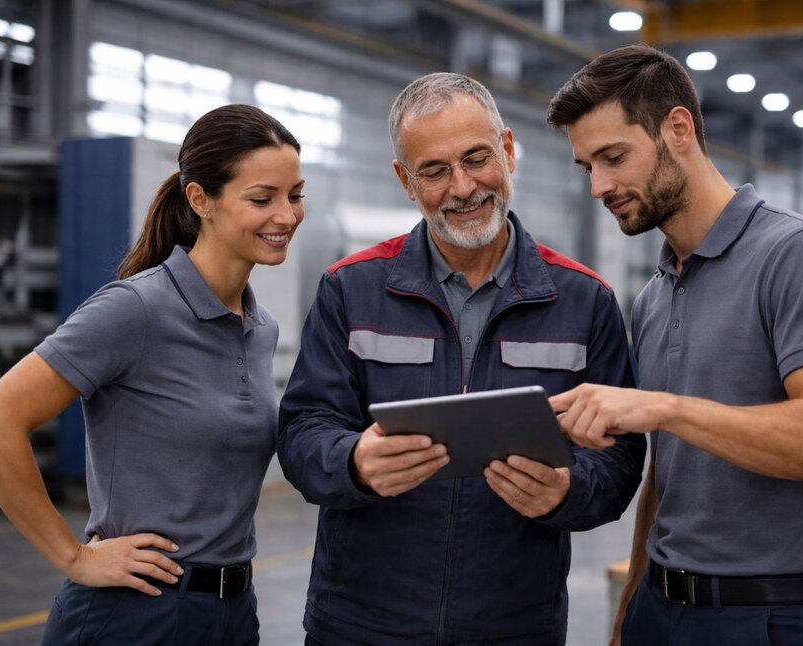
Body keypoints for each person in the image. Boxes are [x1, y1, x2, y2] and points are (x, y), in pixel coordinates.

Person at [277, 72, 646, 645]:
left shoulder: (583, 300)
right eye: (434, 170)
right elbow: (302, 429)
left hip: (513, 627)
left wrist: (567, 490)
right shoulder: (352, 290)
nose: (462, 187)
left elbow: (621, 455)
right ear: (406, 180)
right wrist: (351, 461)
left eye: (477, 158)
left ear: (508, 151)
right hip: (360, 625)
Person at [546, 45, 803, 646]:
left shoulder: (800, 256)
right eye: (586, 166)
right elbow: (667, 477)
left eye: (614, 157)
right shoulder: (654, 296)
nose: (599, 185)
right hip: (661, 607)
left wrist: (667, 408)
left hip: (774, 617)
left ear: (678, 129)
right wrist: (630, 607)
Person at [0, 104, 305, 645]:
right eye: (262, 198)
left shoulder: (260, 327)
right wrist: (74, 557)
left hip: (232, 613)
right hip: (137, 616)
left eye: (295, 195)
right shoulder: (135, 309)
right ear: (201, 199)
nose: (287, 215)